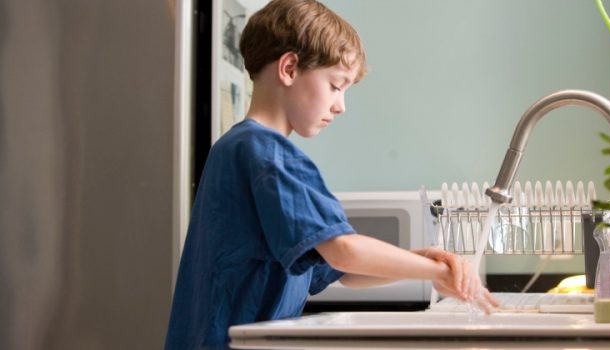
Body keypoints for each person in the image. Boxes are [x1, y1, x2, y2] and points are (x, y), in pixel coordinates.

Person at [164, 1, 497, 348]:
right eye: (336, 86)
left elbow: (342, 271)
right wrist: (439, 272)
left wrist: (420, 259)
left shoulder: (237, 147)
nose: (341, 105)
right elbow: (343, 251)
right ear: (290, 68)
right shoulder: (270, 154)